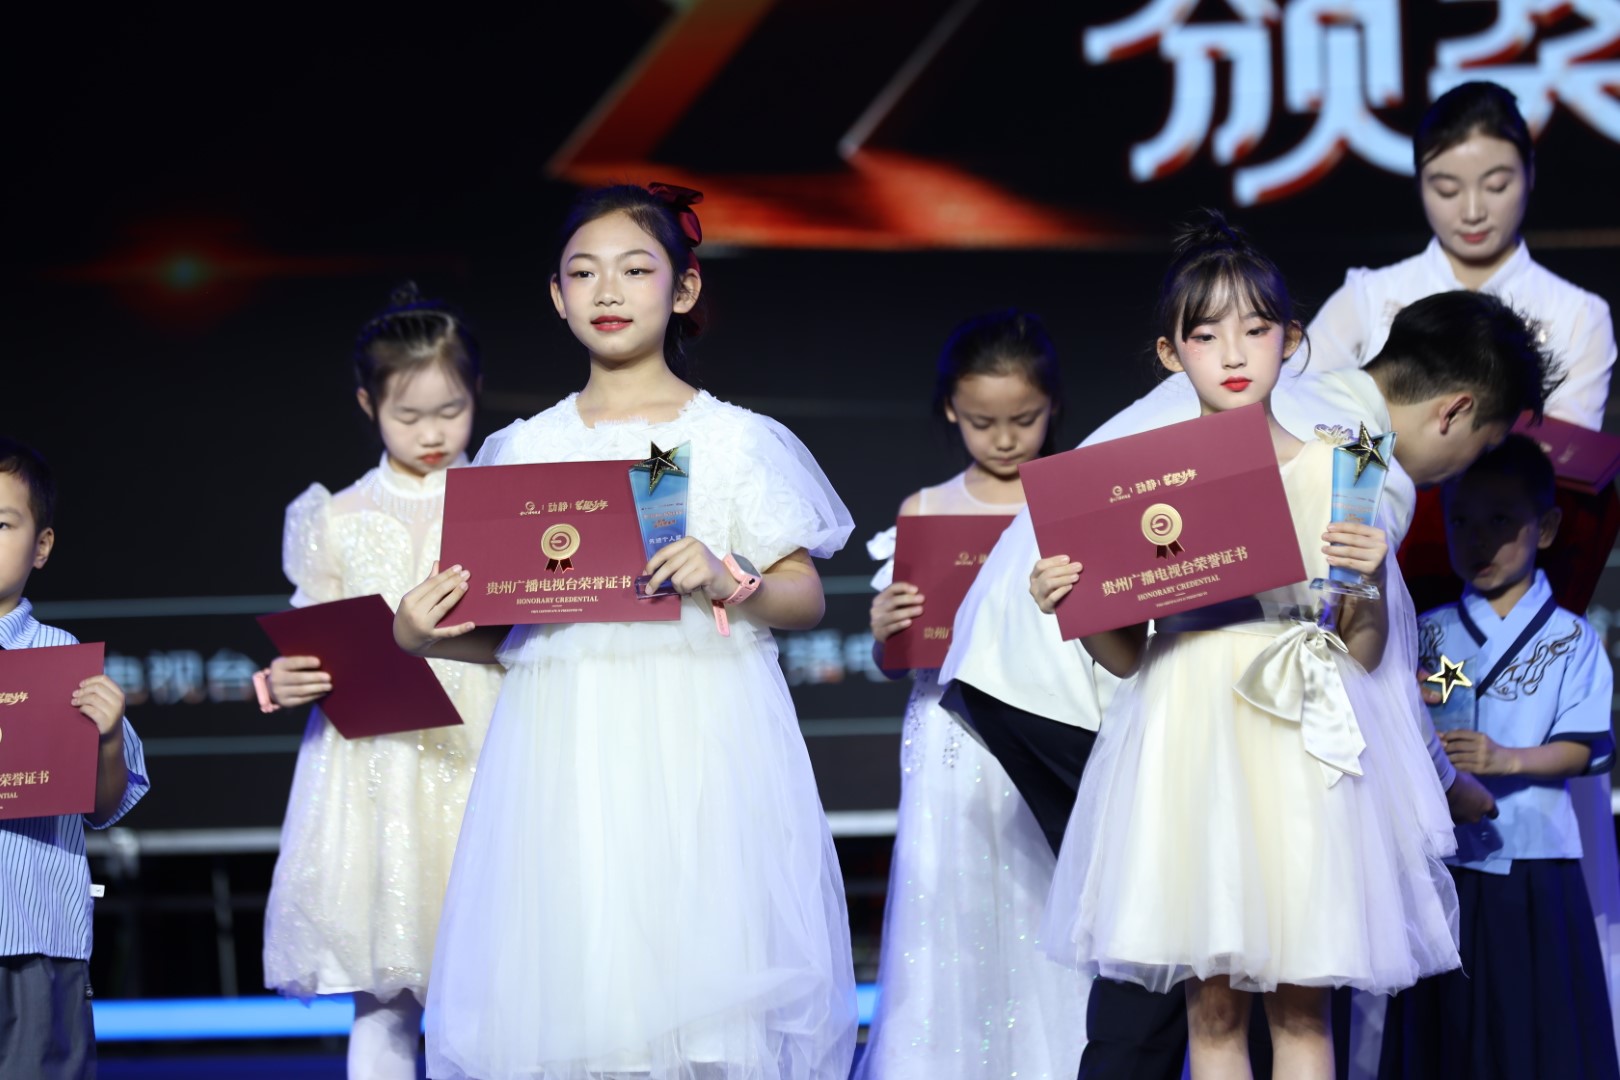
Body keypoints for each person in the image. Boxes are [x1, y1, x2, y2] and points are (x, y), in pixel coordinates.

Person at [940, 287, 1554, 1077]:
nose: (1455, 478)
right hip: (1113, 680)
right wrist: (1441, 782)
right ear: (1455, 412)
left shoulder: (1295, 402)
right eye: (1479, 448)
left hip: (1048, 664)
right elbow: (1366, 664)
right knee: (1182, 956)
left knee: (1205, 953)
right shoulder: (1357, 454)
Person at [394, 183, 858, 1080]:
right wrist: (425, 637)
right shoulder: (520, 450)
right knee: (581, 984)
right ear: (557, 295)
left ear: (683, 289)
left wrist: (728, 576)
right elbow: (516, 633)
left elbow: (804, 597)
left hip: (702, 739)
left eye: (636, 270)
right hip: (563, 752)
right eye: (584, 273)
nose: (608, 291)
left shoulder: (734, 439)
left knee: (703, 986)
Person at [1031, 212, 1463, 1079]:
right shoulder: (1138, 484)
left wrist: (1367, 578)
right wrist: (1072, 604)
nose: (1233, 353)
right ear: (1171, 353)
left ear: (1291, 341)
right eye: (1205, 334)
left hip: (1294, 735)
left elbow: (1364, 650)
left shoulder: (1344, 465)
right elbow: (1126, 655)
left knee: (1302, 1010)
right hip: (1186, 735)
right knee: (1213, 1010)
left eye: (1256, 329)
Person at [257, 286, 502, 1080]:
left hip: (485, 748)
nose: (433, 433)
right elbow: (313, 636)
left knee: (498, 978)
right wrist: (282, 680)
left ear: (476, 394)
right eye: (409, 416)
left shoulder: (506, 500)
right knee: (384, 994)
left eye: (451, 411)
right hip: (376, 767)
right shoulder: (334, 516)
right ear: (368, 404)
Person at [858, 310, 1086, 1079]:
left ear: (1053, 407)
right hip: (951, 739)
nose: (1005, 439)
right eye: (983, 422)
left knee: (1045, 897)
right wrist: (886, 630)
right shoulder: (925, 510)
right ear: (951, 410)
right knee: (948, 903)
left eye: (1025, 418)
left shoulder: (1073, 499)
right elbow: (900, 662)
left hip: (1051, 724)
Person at [1379, 435, 1619, 1079]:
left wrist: (1506, 760)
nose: (1477, 539)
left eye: (1500, 520)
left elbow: (1583, 747)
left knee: (1530, 1025)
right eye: (1460, 520)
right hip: (1444, 856)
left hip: (1534, 857)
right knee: (1445, 1032)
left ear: (1546, 528)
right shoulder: (1426, 628)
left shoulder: (1573, 637)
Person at [1308, 81, 1614, 430]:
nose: (1472, 212)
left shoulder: (1578, 316)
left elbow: (1565, 452)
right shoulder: (1369, 297)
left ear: (1530, 172)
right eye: (1447, 190)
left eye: (1496, 186)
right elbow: (1292, 403)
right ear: (1420, 184)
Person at [0, 437, 149, 1080]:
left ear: (41, 546)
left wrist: (109, 737)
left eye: (1, 525)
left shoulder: (60, 658)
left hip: (37, 936)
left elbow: (104, 805)